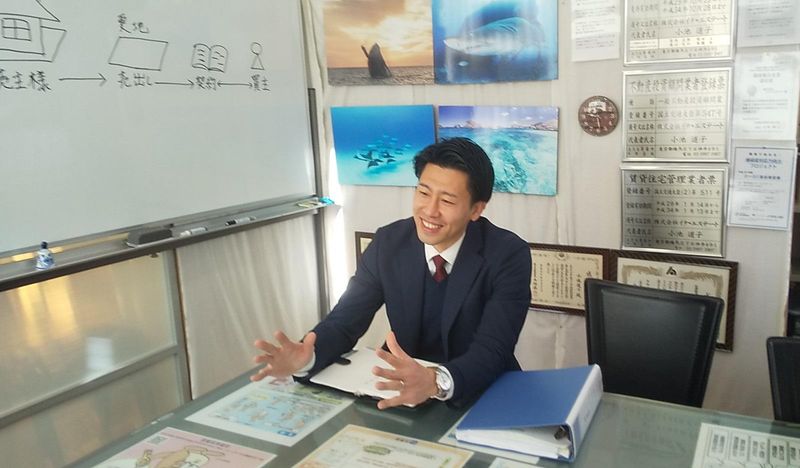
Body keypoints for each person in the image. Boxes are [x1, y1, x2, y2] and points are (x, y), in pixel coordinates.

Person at [251, 137, 531, 408]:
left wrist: (436, 381)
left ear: (476, 210)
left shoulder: (507, 255)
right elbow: (345, 321)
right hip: (404, 391)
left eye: (447, 201)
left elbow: (493, 349)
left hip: (480, 393)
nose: (430, 211)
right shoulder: (388, 243)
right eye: (423, 193)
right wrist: (308, 357)